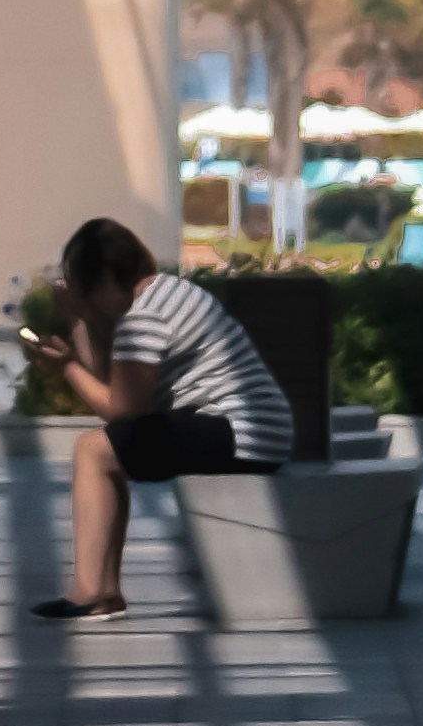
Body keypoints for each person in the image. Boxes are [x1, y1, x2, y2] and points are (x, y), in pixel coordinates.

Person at [19, 218, 292, 623]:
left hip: (237, 431)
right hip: (258, 429)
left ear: (106, 281)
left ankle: (92, 591)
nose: (90, 302)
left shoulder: (144, 318)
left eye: (86, 290)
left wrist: (67, 369)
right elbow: (118, 392)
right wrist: (79, 323)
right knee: (107, 449)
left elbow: (120, 409)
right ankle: (102, 591)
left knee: (94, 450)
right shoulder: (167, 294)